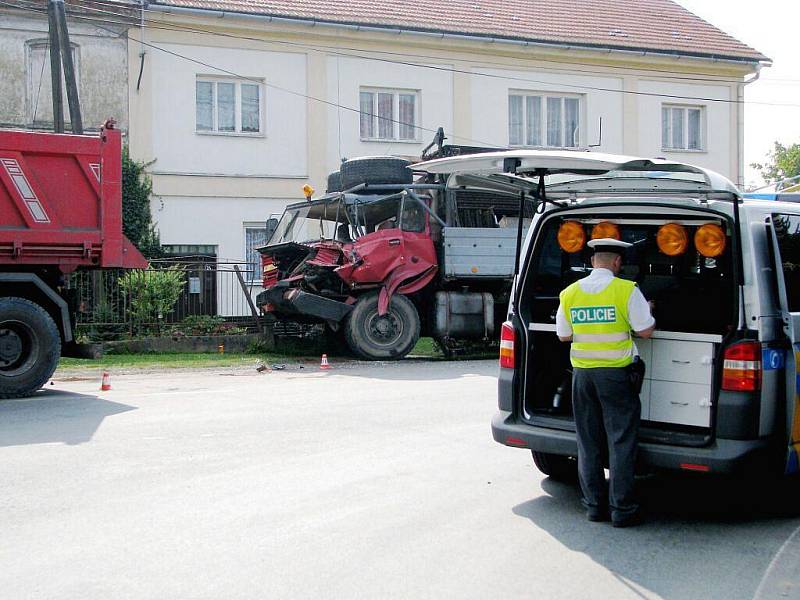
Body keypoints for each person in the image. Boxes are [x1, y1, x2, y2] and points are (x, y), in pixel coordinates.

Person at [556, 237, 655, 527]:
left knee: (588, 442)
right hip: (615, 375)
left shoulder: (570, 293)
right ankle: (622, 510)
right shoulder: (626, 290)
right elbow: (645, 330)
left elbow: (563, 335)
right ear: (617, 263)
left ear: (592, 263)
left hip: (583, 376)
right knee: (620, 441)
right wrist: (648, 309)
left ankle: (594, 507)